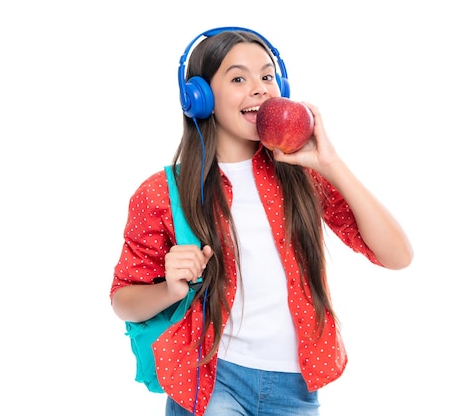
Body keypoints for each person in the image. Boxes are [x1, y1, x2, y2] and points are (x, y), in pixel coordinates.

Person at [110, 27, 413, 416]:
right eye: (238, 78)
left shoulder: (302, 175)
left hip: (295, 388)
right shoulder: (162, 192)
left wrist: (331, 164)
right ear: (199, 98)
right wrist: (170, 290)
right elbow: (123, 301)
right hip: (214, 378)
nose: (259, 88)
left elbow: (397, 255)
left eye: (267, 76)